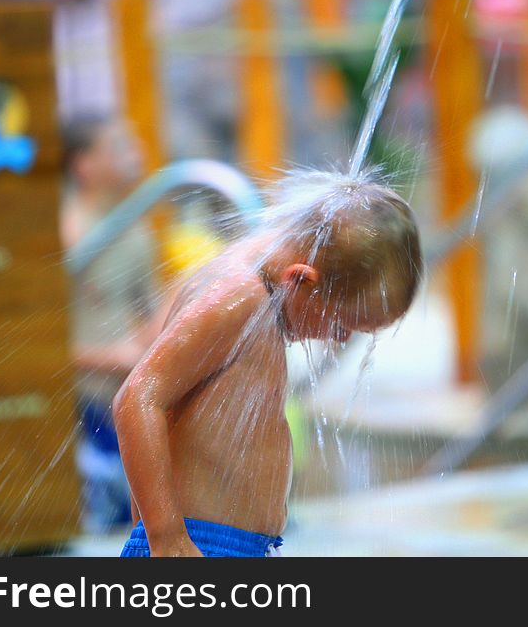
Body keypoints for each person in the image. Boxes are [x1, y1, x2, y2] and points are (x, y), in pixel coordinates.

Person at [115, 170, 422, 557]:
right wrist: (165, 536)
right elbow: (138, 397)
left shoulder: (266, 284)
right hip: (197, 545)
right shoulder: (238, 296)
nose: (340, 339)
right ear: (300, 280)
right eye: (342, 324)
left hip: (228, 544)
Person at [60, 114, 162, 533]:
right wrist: (107, 357)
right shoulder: (65, 235)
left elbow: (147, 315)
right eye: (119, 146)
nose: (135, 155)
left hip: (124, 404)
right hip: (76, 411)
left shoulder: (135, 231)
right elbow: (25, 348)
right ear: (83, 165)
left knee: (133, 526)